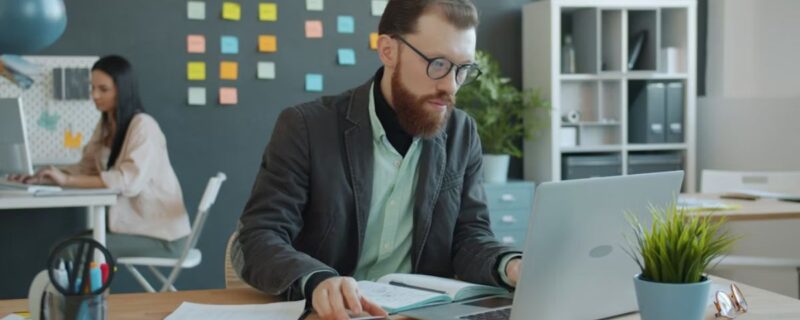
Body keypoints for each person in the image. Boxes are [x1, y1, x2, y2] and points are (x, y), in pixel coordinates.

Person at [237, 0, 522, 319]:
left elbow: (470, 237)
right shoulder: (306, 127)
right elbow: (259, 236)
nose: (450, 86)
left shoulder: (461, 132)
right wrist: (317, 281)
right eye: (438, 64)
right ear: (388, 50)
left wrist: (510, 265)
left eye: (462, 69)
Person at [10, 55, 191, 258]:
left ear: (122, 90)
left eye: (103, 89)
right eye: (92, 87)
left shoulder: (144, 126)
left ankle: (89, 291)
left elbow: (127, 182)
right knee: (65, 247)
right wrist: (45, 177)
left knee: (70, 252)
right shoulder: (106, 124)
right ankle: (89, 291)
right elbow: (86, 168)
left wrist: (67, 180)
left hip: (163, 238)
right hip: (131, 230)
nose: (94, 95)